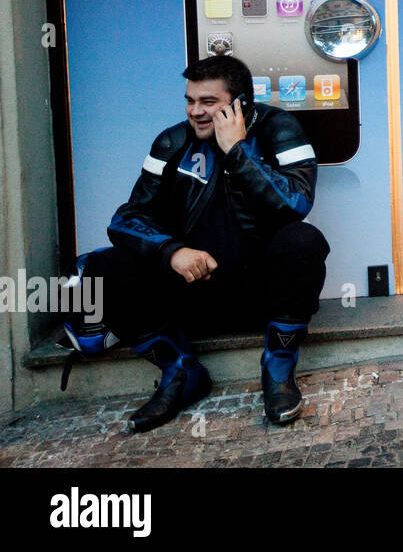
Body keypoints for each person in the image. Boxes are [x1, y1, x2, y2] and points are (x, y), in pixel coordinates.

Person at [78, 55, 329, 432]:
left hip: (259, 294)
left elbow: (296, 202)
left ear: (240, 104)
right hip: (192, 291)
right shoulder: (172, 141)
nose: (195, 112)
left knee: (304, 241)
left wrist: (238, 152)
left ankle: (278, 369)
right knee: (106, 266)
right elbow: (126, 219)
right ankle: (180, 372)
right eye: (190, 100)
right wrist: (172, 251)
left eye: (208, 103)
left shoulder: (280, 129)